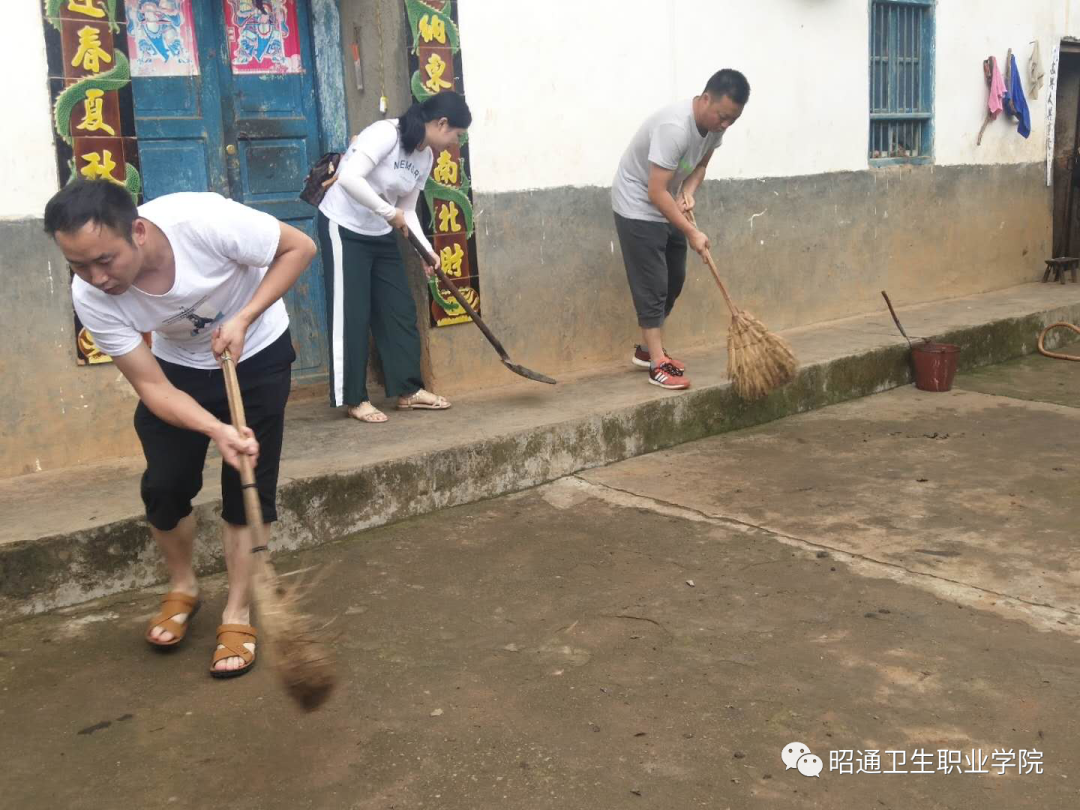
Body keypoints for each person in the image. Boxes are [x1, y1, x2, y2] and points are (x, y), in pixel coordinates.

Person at [44, 180, 317, 678]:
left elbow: (300, 247)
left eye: (104, 260)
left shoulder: (202, 222)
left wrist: (244, 317)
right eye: (79, 265)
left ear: (138, 232)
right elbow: (152, 387)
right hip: (179, 369)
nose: (96, 278)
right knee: (165, 487)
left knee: (248, 488)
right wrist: (217, 429)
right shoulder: (91, 296)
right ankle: (184, 585)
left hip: (257, 351)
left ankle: (238, 610)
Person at [317, 90, 472, 423]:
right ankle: (354, 398)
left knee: (398, 309)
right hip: (344, 226)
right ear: (442, 123)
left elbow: (408, 210)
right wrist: (388, 213)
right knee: (352, 312)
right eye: (456, 134)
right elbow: (348, 178)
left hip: (380, 230)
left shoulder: (425, 157)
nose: (455, 143)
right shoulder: (385, 134)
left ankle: (408, 390)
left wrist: (425, 251)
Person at [612, 69, 750, 389]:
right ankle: (657, 364)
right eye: (723, 116)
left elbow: (699, 166)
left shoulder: (714, 128)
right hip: (637, 203)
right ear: (706, 99)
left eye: (732, 120)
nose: (725, 125)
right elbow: (655, 191)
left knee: (674, 278)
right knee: (653, 283)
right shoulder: (674, 128)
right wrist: (692, 232)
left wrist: (688, 190)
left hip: (667, 201)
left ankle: (647, 350)